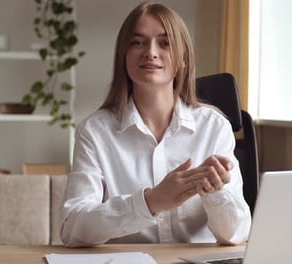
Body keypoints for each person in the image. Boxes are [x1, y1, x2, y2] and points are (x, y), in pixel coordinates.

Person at [61, 2, 251, 247]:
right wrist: (150, 202)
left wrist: (216, 193)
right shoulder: (94, 132)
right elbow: (72, 228)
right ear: (124, 55)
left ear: (183, 58)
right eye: (138, 42)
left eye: (165, 43)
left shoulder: (214, 128)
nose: (150, 52)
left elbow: (237, 234)